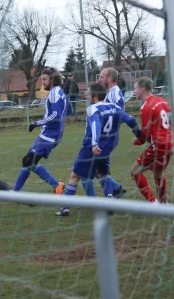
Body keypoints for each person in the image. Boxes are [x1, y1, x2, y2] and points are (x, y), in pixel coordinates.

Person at [56, 83, 139, 217]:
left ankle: (65, 208)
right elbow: (130, 120)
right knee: (102, 174)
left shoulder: (92, 108)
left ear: (94, 96)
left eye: (88, 94)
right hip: (106, 149)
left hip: (91, 149)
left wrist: (94, 143)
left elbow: (96, 125)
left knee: (74, 176)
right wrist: (139, 134)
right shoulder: (114, 107)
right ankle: (110, 199)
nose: (86, 96)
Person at [13, 67, 66, 195]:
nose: (43, 83)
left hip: (49, 136)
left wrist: (36, 123)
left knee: (28, 161)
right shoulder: (58, 92)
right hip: (48, 134)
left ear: (52, 79)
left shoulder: (54, 94)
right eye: (41, 80)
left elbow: (55, 115)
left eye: (45, 79)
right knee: (27, 161)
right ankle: (15, 192)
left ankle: (56, 185)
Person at [130, 77, 173, 204]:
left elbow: (144, 135)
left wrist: (138, 141)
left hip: (159, 145)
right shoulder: (162, 101)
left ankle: (153, 202)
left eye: (135, 88)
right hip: (169, 143)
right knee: (158, 174)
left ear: (142, 89)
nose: (134, 92)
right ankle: (163, 203)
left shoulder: (146, 107)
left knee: (134, 172)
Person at [95, 67, 128, 199]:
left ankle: (110, 195)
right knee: (98, 168)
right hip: (106, 136)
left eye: (102, 77)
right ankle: (116, 189)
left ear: (110, 79)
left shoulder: (115, 94)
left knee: (98, 167)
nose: (99, 79)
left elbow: (119, 115)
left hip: (109, 137)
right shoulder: (110, 93)